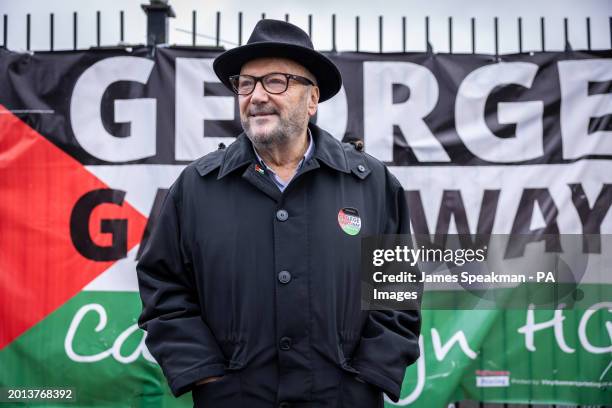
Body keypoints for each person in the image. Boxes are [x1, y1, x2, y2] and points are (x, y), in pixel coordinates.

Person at [137, 19, 421, 408]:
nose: (256, 96)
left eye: (275, 81)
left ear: (312, 98)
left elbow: (397, 292)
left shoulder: (371, 184)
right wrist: (204, 372)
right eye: (246, 83)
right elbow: (164, 288)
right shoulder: (196, 187)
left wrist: (366, 376)